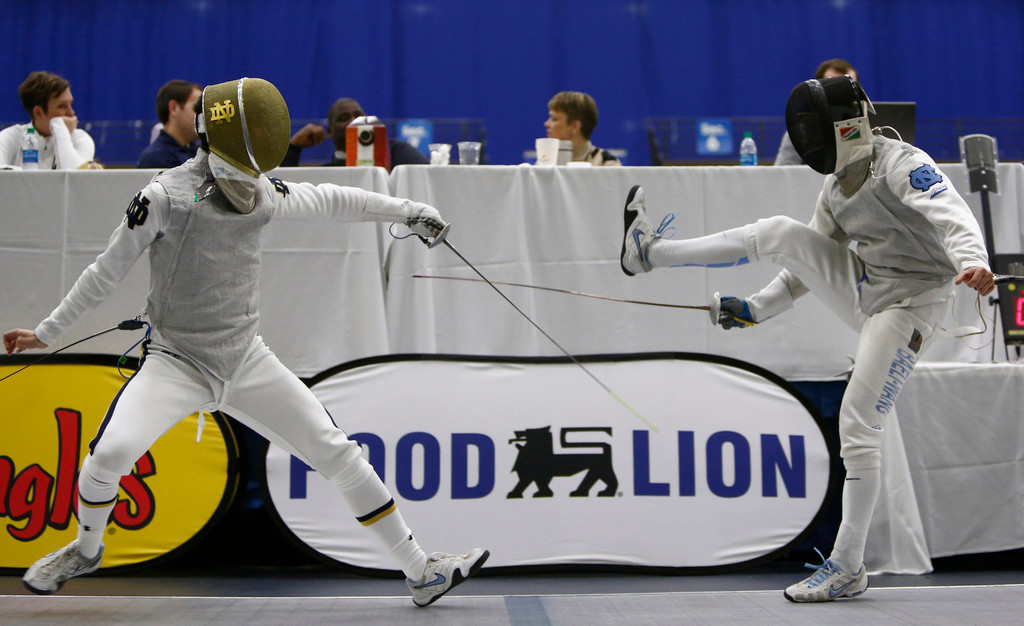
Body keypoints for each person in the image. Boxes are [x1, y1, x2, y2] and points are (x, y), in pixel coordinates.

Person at [4, 77, 487, 606]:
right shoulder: (163, 196)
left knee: (339, 455)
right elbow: (105, 271)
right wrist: (48, 332)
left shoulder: (260, 192)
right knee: (110, 454)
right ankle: (87, 547)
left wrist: (408, 211)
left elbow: (331, 198)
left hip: (246, 359)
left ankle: (421, 572)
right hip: (176, 361)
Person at [620, 75, 994, 602]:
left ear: (846, 124)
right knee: (780, 231)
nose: (809, 138)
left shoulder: (902, 164)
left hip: (912, 306)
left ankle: (847, 565)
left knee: (859, 427)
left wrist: (973, 261)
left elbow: (951, 213)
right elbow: (804, 260)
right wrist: (757, 309)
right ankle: (650, 254)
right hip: (867, 287)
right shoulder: (836, 186)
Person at [279, 97, 428, 168]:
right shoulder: (326, 172)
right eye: (344, 118)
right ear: (330, 131)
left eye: (358, 116)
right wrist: (294, 147)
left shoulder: (395, 151)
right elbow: (282, 191)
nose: (353, 121)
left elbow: (428, 174)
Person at [0, 71, 99, 170]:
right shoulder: (11, 137)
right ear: (38, 112)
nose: (71, 113)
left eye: (70, 104)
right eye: (62, 106)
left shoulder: (80, 139)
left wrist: (60, 130)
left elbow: (75, 178)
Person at [775, 59, 859, 166]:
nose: (841, 94)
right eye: (835, 88)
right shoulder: (802, 130)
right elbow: (784, 171)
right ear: (819, 92)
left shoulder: (872, 125)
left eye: (849, 86)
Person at [137, 80, 202, 169]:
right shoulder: (156, 159)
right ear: (174, 108)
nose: (204, 115)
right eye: (197, 108)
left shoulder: (199, 151)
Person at [544, 91, 620, 166]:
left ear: (575, 126)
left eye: (554, 119)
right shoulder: (546, 161)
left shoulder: (607, 163)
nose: (546, 124)